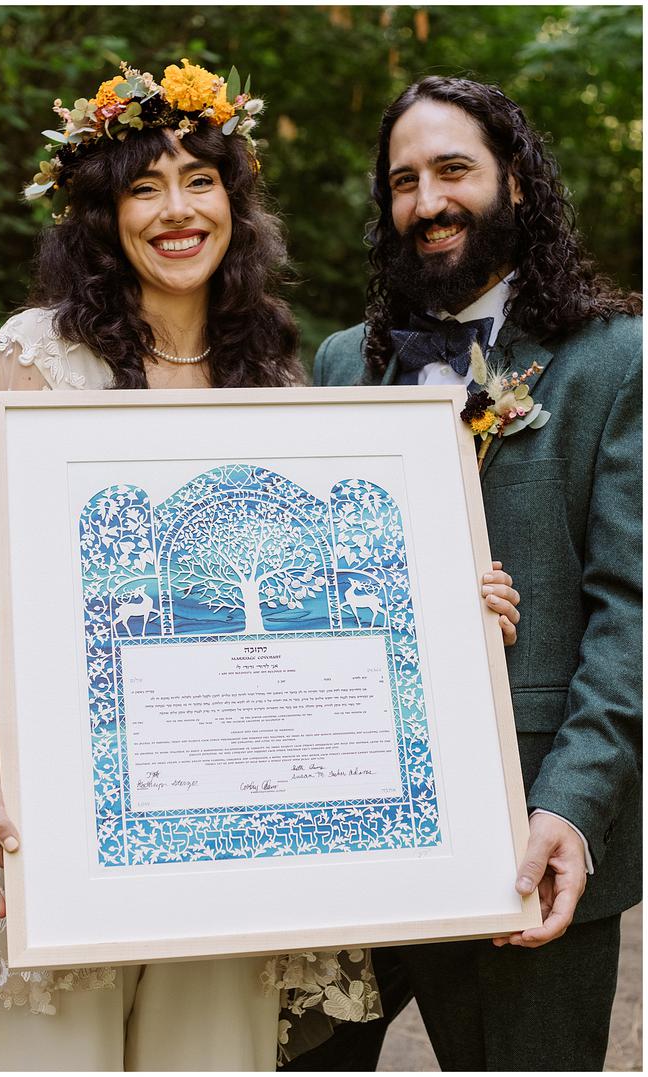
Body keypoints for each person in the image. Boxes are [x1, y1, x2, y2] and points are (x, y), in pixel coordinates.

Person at [0, 61, 523, 1071]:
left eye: (199, 180)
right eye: (143, 186)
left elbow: (340, 584)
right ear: (101, 214)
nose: (176, 211)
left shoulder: (275, 374)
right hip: (64, 800)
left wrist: (446, 606)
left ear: (234, 200)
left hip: (230, 818)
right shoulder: (37, 357)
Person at [292, 76, 641, 1071]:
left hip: (523, 821)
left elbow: (633, 611)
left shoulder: (614, 362)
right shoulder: (340, 366)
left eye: (453, 170)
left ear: (518, 183)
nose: (427, 201)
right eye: (404, 181)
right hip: (347, 817)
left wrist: (570, 801)